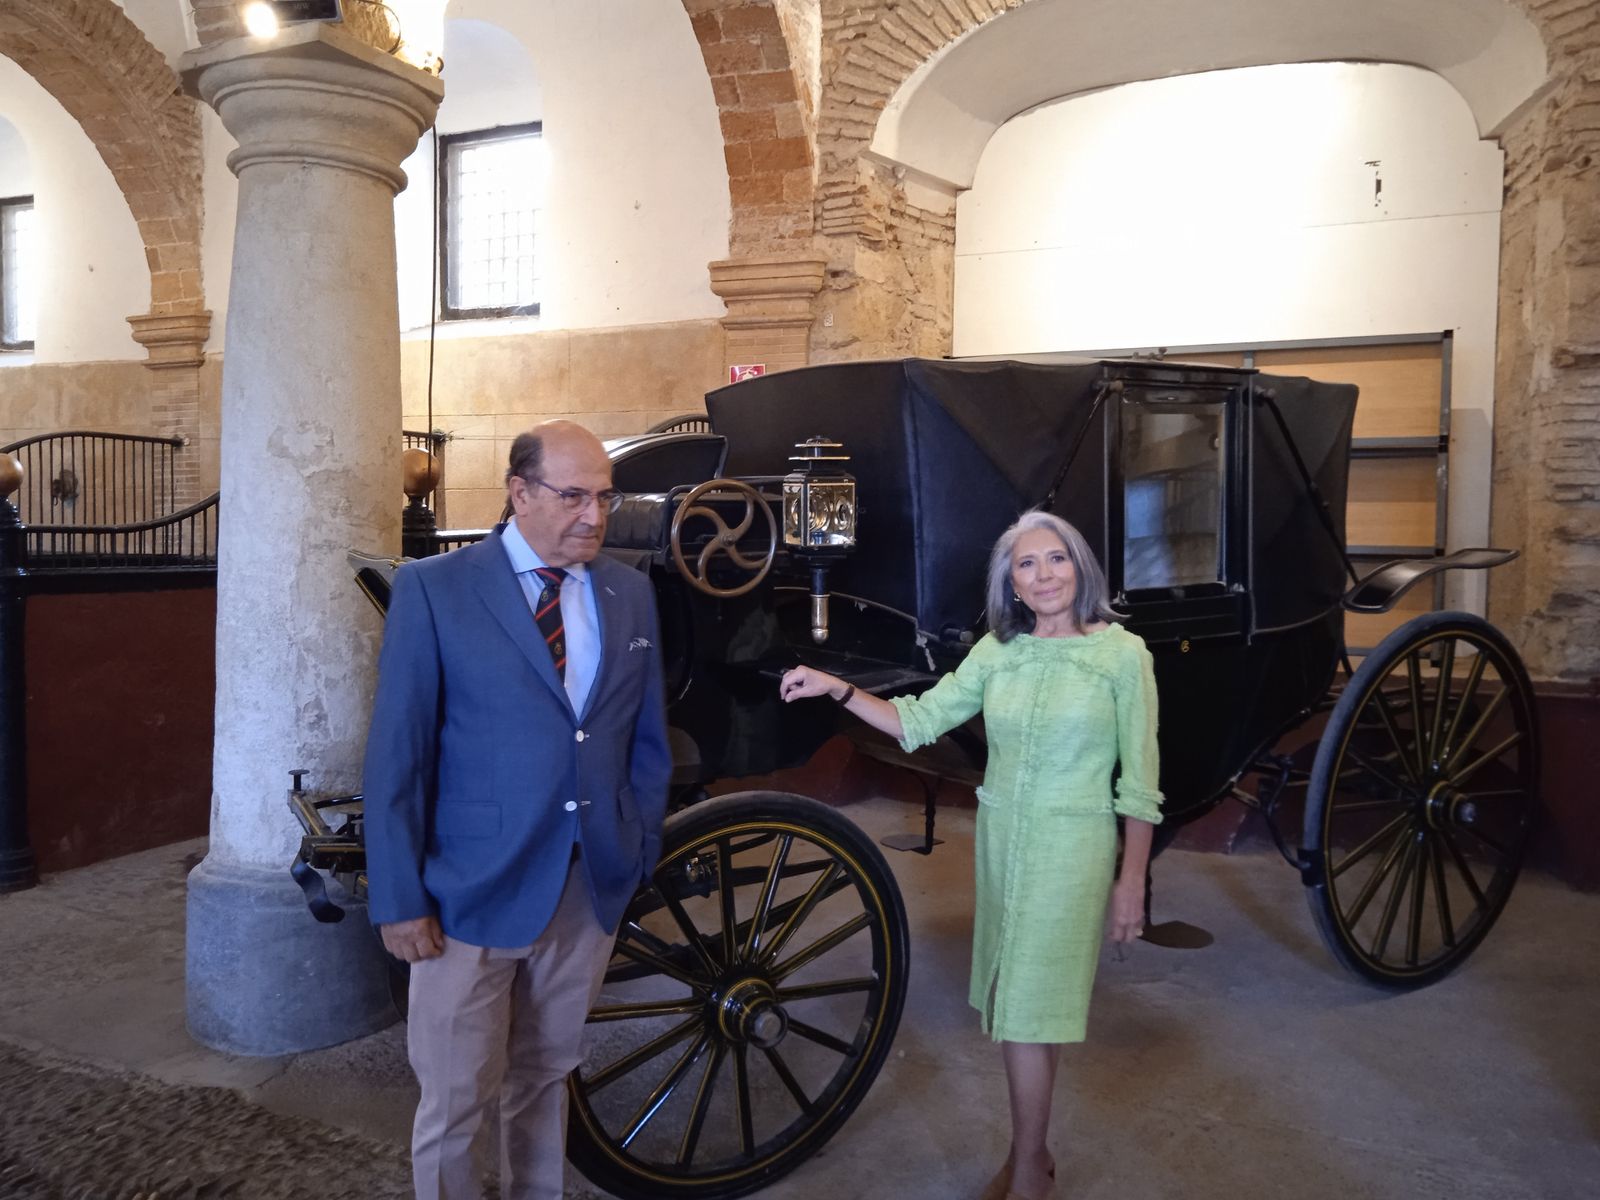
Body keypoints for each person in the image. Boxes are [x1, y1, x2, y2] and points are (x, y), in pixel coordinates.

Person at [780, 510, 1162, 1200]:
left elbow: (1139, 783)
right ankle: (1034, 1156)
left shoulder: (1122, 656)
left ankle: (1026, 1170)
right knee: (1026, 1008)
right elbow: (919, 721)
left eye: (1056, 559)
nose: (1043, 575)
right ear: (1011, 583)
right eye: (1026, 564)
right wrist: (839, 688)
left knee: (1024, 1008)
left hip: (1073, 847)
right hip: (1003, 842)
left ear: (1081, 568)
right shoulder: (999, 650)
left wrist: (1131, 880)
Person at [363, 420, 672, 1200]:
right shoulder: (435, 590)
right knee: (458, 1097)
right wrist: (399, 898)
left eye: (604, 497)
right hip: (469, 893)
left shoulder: (628, 591)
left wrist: (635, 849)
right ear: (520, 492)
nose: (594, 517)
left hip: (584, 886)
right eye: (573, 496)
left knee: (546, 1078)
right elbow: (398, 755)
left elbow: (646, 740)